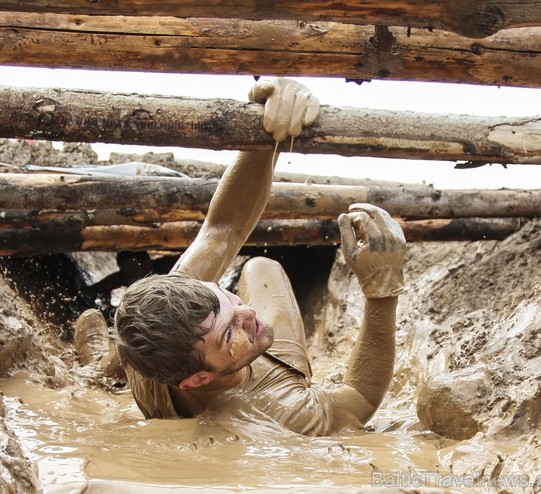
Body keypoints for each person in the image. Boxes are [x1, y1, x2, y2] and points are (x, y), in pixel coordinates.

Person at [88, 78, 407, 436]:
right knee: (261, 270)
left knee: (256, 267)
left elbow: (223, 228)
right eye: (229, 333)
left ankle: (102, 363)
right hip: (261, 382)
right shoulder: (274, 410)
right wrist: (382, 287)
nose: (248, 313)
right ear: (197, 379)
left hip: (158, 358)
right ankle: (101, 361)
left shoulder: (184, 308)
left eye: (226, 299)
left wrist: (266, 132)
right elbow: (359, 401)